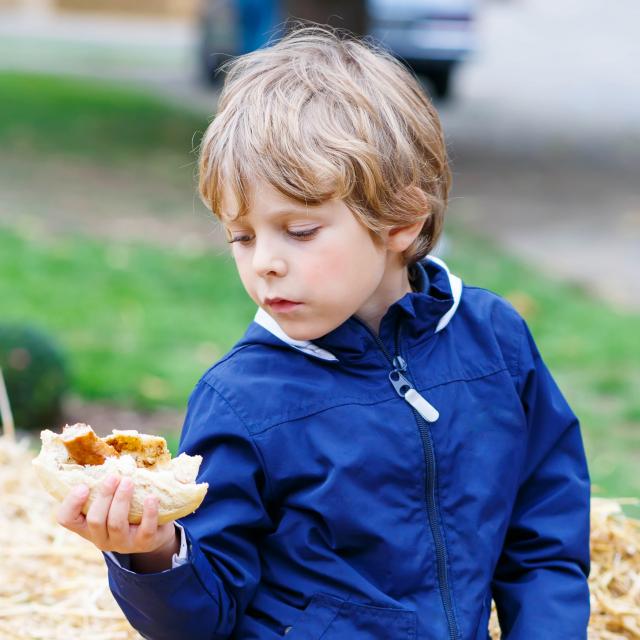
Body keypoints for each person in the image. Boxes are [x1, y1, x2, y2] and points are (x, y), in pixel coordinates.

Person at [56, 26, 591, 640]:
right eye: (243, 235)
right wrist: (151, 553)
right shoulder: (241, 399)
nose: (265, 263)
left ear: (400, 219)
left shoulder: (495, 343)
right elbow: (201, 619)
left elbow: (545, 534)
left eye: (299, 231)